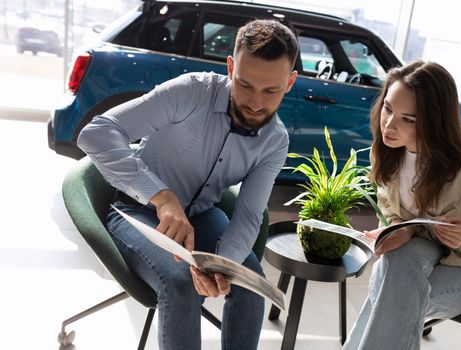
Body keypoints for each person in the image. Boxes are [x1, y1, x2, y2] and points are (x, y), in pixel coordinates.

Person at [77, 19, 298, 350]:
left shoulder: (275, 141)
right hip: (138, 211)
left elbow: (249, 215)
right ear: (230, 66)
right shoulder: (189, 91)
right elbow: (96, 133)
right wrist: (162, 196)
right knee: (181, 284)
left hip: (204, 216)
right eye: (245, 85)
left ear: (290, 82)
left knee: (250, 287)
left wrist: (223, 264)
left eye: (271, 91)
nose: (255, 102)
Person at [343, 60, 461, 350]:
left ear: (434, 119)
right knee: (395, 269)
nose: (389, 125)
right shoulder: (390, 151)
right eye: (388, 108)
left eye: (408, 119)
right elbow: (394, 213)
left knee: (395, 293)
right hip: (429, 244)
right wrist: (399, 230)